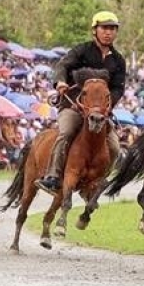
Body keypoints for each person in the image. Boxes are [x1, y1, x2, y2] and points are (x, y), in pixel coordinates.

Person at [34, 11, 126, 195]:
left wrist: (107, 106)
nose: (108, 32)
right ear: (95, 30)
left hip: (100, 112)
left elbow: (118, 88)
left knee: (115, 146)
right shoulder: (81, 50)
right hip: (73, 105)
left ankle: (100, 179)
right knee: (66, 132)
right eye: (104, 28)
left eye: (112, 29)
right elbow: (62, 66)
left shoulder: (118, 60)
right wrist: (60, 82)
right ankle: (53, 176)